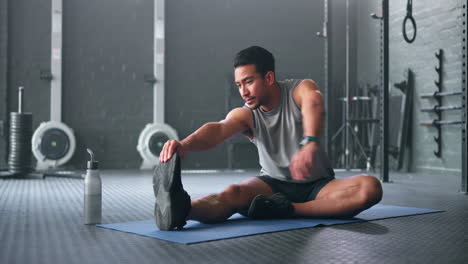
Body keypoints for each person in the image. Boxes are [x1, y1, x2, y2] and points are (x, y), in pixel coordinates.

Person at [152, 46, 383, 231]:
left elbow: (313, 101)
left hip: (318, 186)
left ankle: (290, 209)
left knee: (369, 188)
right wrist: (185, 145)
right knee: (233, 193)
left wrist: (310, 142)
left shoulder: (299, 89)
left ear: (269, 77)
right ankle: (182, 210)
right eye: (239, 85)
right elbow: (219, 129)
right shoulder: (246, 114)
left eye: (249, 82)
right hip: (271, 184)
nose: (243, 91)